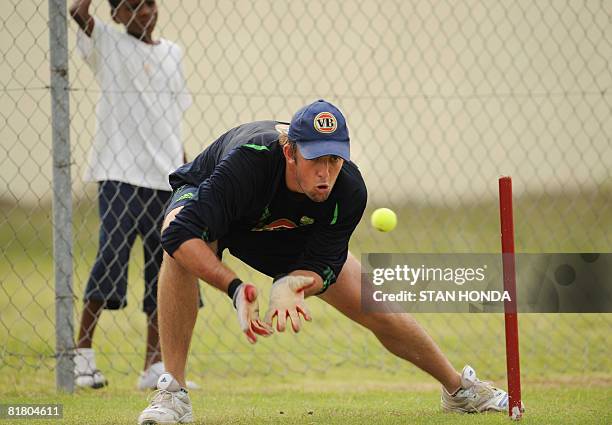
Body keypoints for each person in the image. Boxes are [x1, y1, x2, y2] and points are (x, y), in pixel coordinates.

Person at [137, 100, 522, 424]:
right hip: (221, 205)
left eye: (335, 159)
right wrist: (236, 288)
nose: (326, 172)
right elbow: (177, 235)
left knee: (374, 304)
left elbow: (324, 263)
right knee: (179, 251)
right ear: (290, 152)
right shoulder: (249, 163)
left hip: (281, 229)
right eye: (315, 159)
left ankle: (458, 389)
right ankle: (174, 393)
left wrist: (294, 284)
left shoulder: (348, 190)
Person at [69, 0, 194, 390]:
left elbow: (172, 120)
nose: (143, 12)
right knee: (110, 258)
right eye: (131, 7)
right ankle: (82, 355)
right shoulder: (108, 43)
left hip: (164, 179)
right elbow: (76, 12)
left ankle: (154, 367)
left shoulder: (173, 53)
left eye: (149, 4)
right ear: (117, 15)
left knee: (165, 268)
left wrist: (186, 170)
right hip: (120, 175)